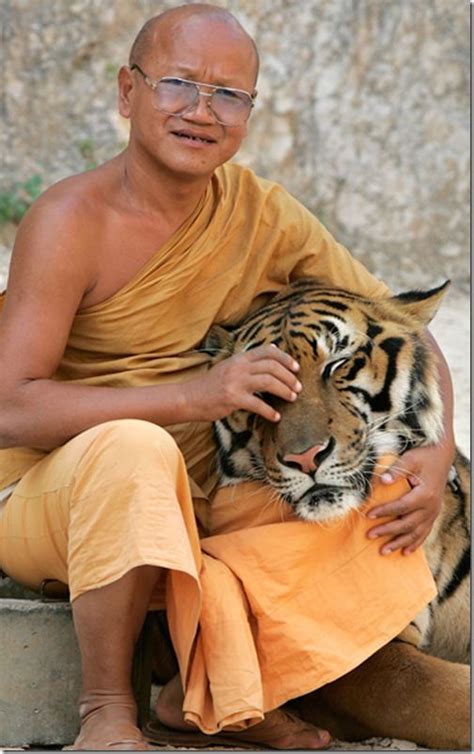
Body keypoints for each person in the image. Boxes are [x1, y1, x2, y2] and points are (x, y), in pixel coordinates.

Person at [0, 4, 455, 751]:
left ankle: (207, 690)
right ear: (127, 92)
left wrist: (435, 456)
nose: (201, 111)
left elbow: (402, 327)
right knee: (135, 448)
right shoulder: (68, 220)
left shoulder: (261, 213)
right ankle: (107, 712)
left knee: (343, 485)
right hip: (52, 493)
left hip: (199, 500)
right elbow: (9, 408)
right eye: (179, 84)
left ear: (249, 112)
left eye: (228, 95)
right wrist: (193, 397)